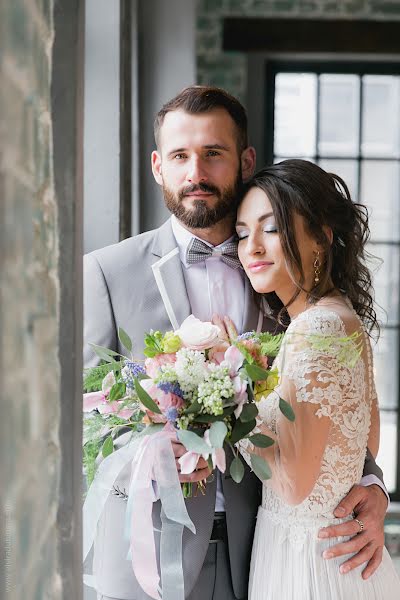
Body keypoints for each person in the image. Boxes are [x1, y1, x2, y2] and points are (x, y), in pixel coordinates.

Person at [84, 86, 389, 600]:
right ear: (158, 165)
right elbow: (85, 419)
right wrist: (160, 452)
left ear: (244, 160)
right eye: (180, 156)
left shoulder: (280, 274)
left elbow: (326, 404)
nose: (195, 173)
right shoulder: (107, 272)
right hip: (152, 554)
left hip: (262, 551)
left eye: (213, 154)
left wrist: (372, 485)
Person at [234, 158, 400, 599]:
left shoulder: (315, 327)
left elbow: (292, 486)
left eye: (270, 229)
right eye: (241, 232)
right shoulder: (341, 318)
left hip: (308, 559)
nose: (251, 246)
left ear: (322, 238)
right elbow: (368, 441)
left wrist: (233, 402)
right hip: (332, 548)